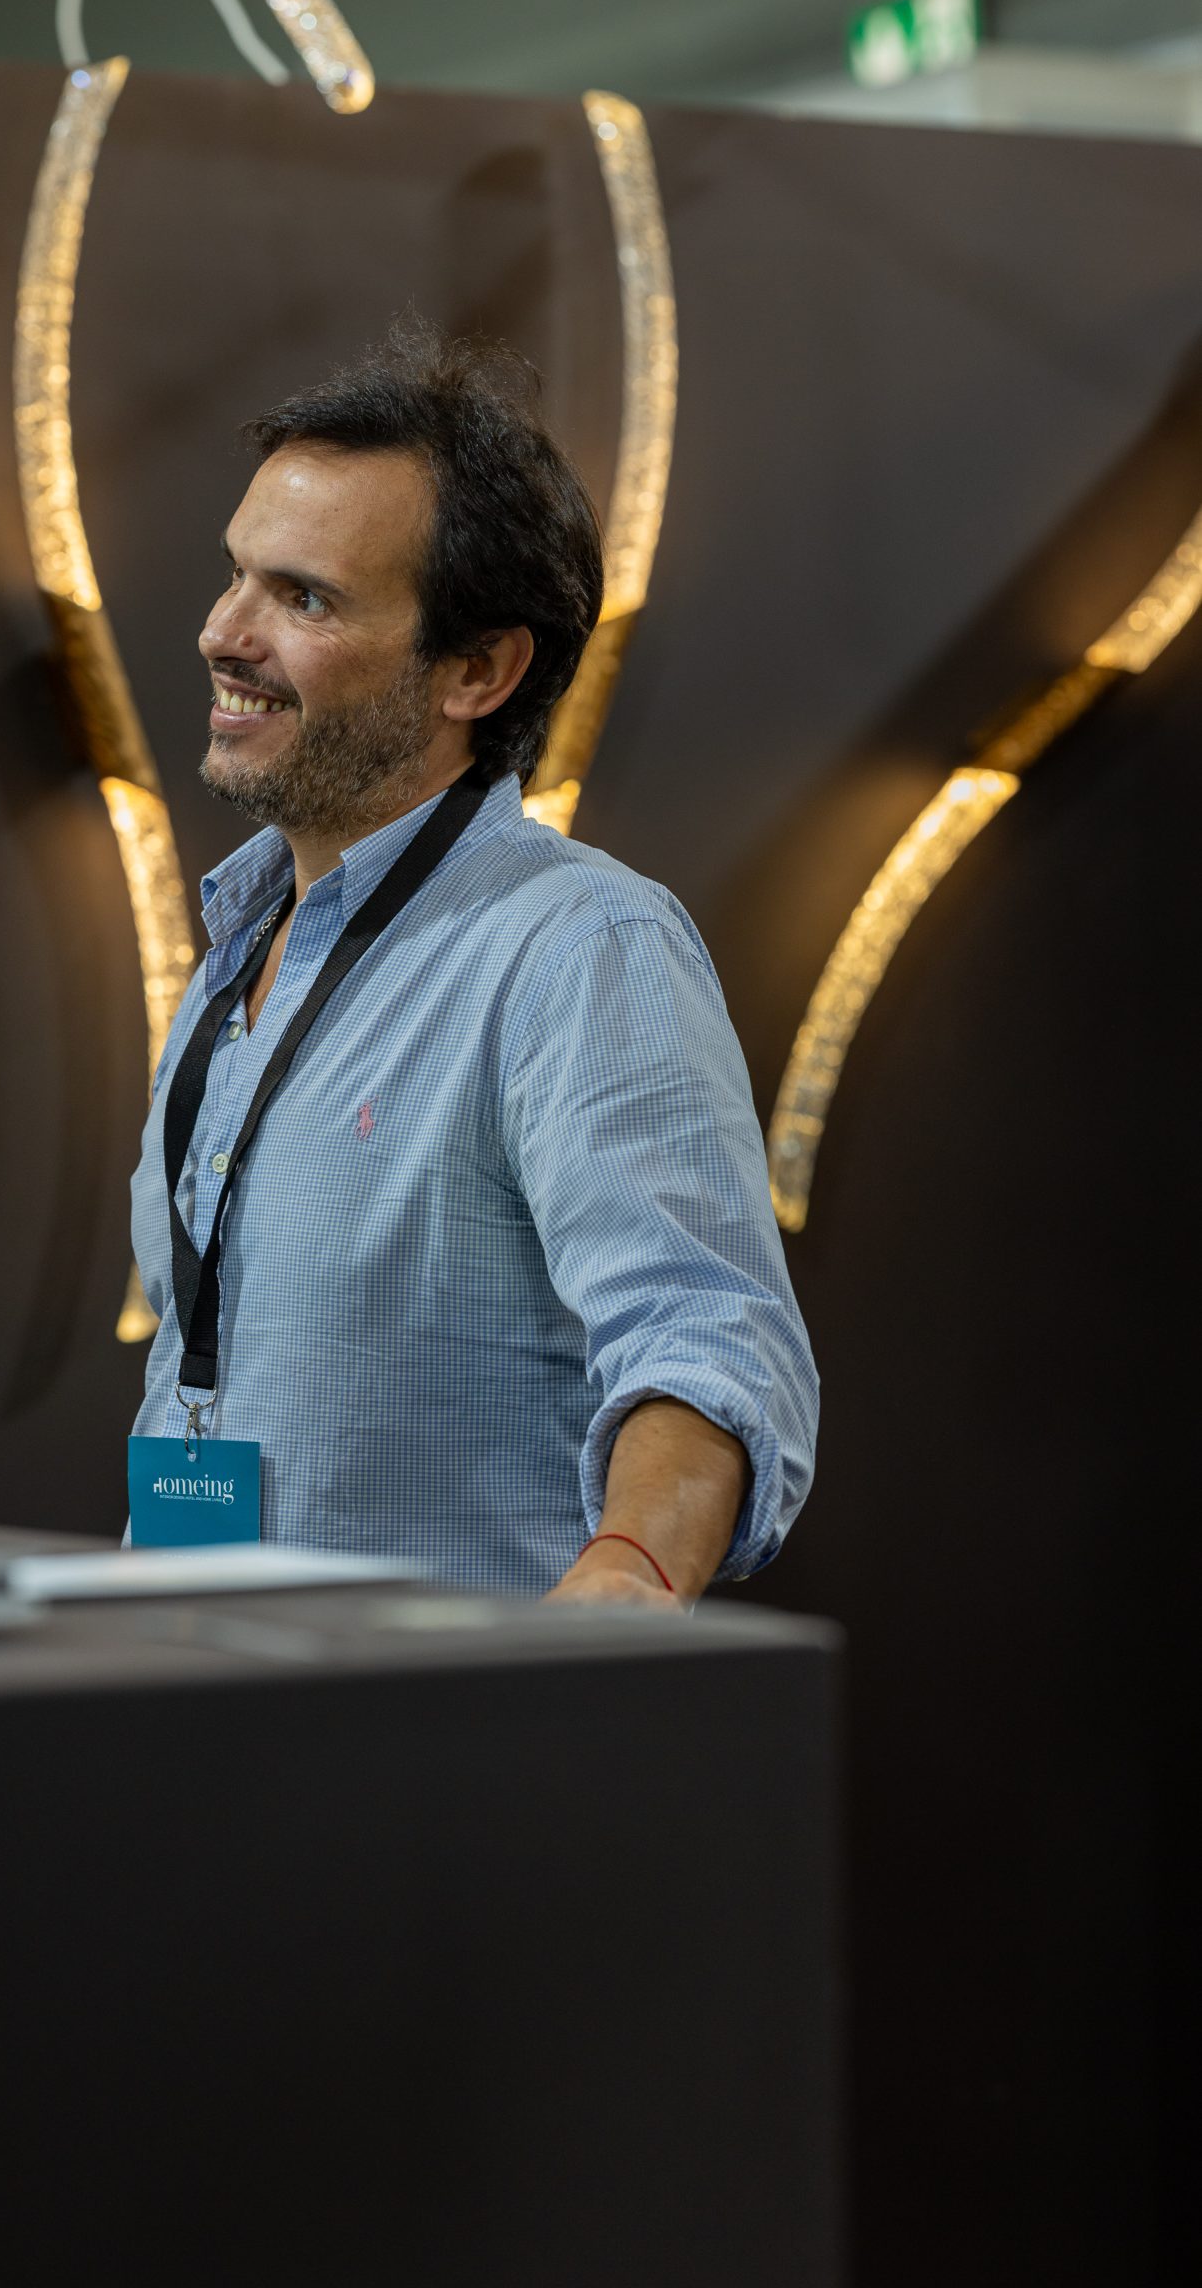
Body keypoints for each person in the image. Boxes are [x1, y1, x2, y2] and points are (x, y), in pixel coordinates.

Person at [128, 324, 817, 1604]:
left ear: (479, 670)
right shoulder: (240, 946)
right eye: (237, 575)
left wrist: (630, 1569)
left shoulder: (579, 948)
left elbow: (707, 1345)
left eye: (304, 598)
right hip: (199, 1692)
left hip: (441, 1719)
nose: (224, 631)